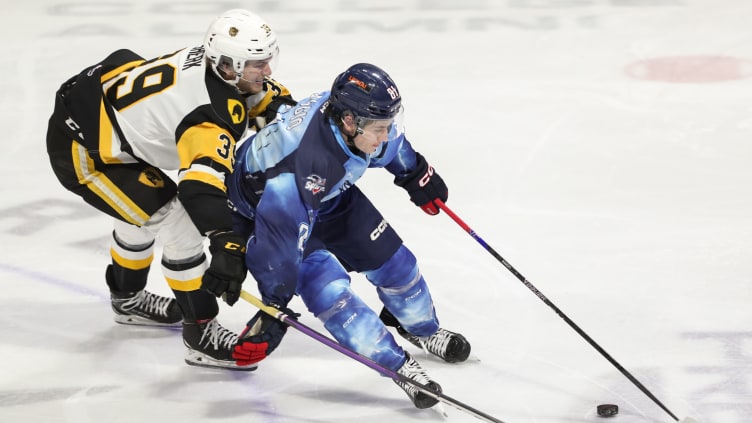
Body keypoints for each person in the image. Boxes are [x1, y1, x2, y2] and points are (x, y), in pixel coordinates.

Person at [46, 9, 293, 371]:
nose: (268, 72)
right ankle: (201, 335)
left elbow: (263, 97)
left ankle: (127, 297)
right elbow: (199, 190)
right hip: (84, 150)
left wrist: (287, 114)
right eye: (258, 64)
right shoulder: (207, 118)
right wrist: (225, 238)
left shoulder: (217, 69)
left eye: (266, 61)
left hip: (105, 113)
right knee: (179, 223)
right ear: (228, 65)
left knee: (142, 210)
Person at [223, 63, 472, 408]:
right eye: (379, 128)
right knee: (333, 296)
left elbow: (391, 145)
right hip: (272, 212)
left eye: (388, 125)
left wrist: (414, 172)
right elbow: (278, 254)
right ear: (350, 121)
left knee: (398, 267)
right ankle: (400, 367)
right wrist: (274, 304)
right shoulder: (297, 175)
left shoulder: (354, 119)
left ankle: (421, 328)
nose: (385, 136)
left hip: (329, 195)